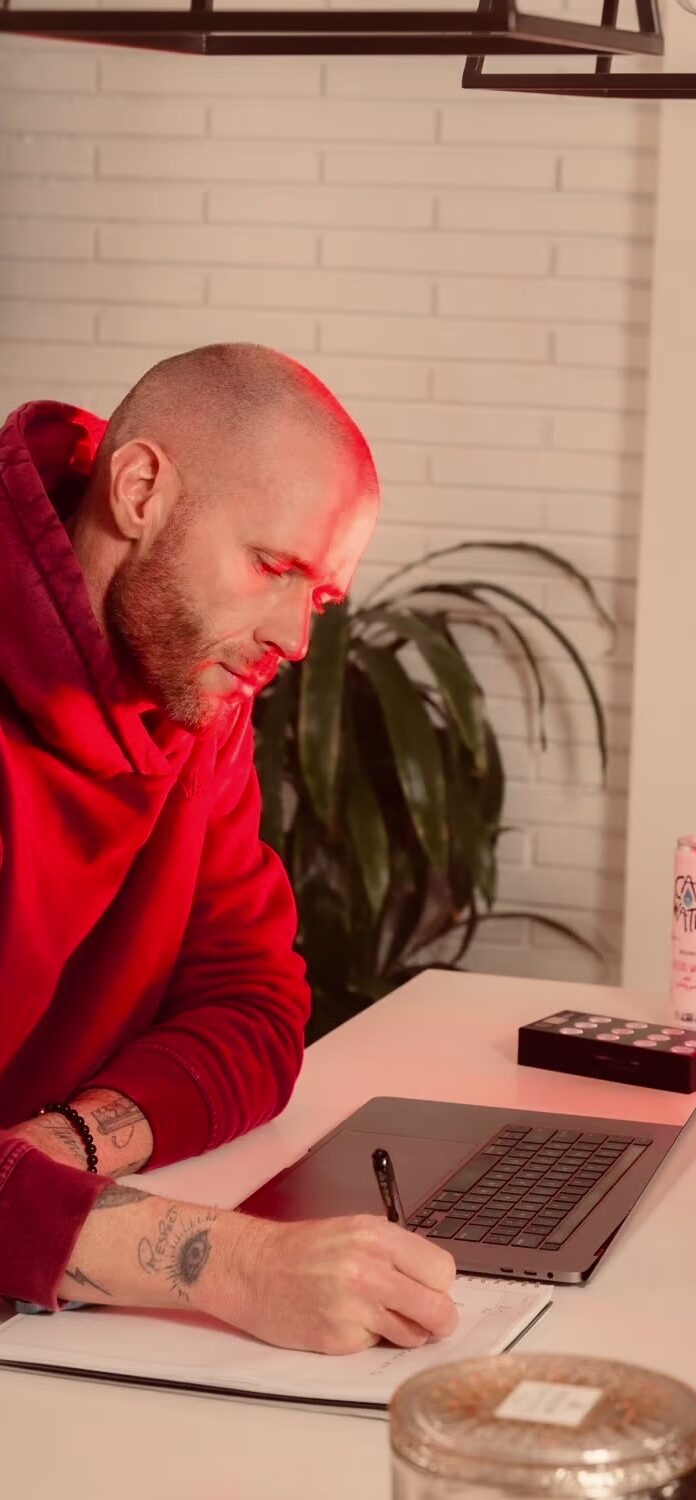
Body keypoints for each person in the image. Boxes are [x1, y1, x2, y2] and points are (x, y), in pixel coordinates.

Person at [0, 344, 458, 1354]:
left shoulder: (193, 694)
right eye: (272, 565)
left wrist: (65, 1146)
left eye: (321, 597)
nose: (296, 638)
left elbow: (253, 1006)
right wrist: (231, 1265)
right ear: (140, 490)